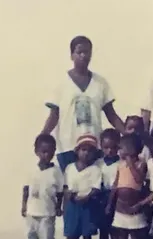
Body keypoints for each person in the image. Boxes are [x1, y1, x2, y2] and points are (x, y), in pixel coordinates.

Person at [43, 36, 123, 170]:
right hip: (68, 145)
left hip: (94, 145)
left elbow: (111, 115)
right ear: (71, 55)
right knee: (70, 185)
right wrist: (43, 135)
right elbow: (54, 115)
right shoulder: (61, 83)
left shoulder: (100, 83)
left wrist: (127, 133)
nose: (83, 56)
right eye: (79, 52)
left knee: (92, 185)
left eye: (87, 52)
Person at [19, 133, 64, 239]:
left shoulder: (56, 171)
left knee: (46, 237)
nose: (47, 155)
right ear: (36, 152)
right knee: (31, 236)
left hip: (47, 211)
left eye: (50, 152)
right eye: (43, 152)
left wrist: (58, 207)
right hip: (32, 211)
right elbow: (26, 188)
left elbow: (60, 191)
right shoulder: (32, 170)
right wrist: (24, 205)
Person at [62, 134, 104, 239]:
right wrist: (69, 195)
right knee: (71, 234)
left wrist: (86, 197)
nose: (86, 153)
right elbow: (67, 186)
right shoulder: (69, 168)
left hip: (88, 205)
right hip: (72, 205)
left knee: (86, 233)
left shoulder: (95, 170)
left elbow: (96, 189)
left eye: (90, 150)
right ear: (77, 151)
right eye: (83, 149)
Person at [108, 133, 151, 239]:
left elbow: (139, 180)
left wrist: (131, 163)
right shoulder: (119, 165)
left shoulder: (141, 164)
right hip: (120, 204)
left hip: (134, 204)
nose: (120, 151)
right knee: (122, 231)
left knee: (135, 231)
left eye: (123, 148)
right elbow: (115, 185)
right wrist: (110, 203)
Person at [95, 129, 122, 239]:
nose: (110, 150)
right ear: (101, 146)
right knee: (103, 229)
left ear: (119, 146)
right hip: (101, 196)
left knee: (115, 229)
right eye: (106, 147)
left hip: (116, 197)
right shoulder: (98, 163)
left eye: (113, 147)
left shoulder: (121, 163)